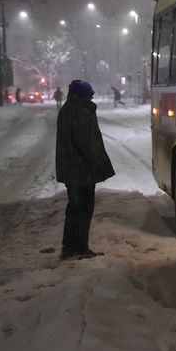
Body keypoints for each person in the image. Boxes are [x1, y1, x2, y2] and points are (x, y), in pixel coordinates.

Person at [56, 80, 115, 259]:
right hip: (81, 171)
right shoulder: (80, 113)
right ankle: (80, 247)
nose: (92, 97)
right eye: (90, 94)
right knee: (83, 209)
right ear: (83, 95)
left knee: (74, 207)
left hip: (70, 169)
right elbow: (89, 144)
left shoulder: (67, 110)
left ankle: (69, 246)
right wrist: (101, 163)